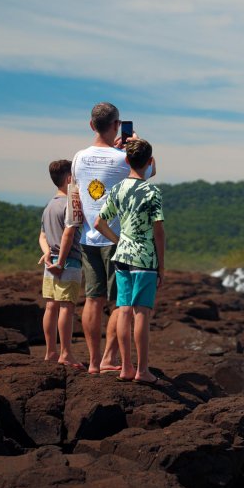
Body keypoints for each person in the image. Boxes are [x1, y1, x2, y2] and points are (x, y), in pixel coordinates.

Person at [69, 102, 154, 374]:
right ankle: (108, 358)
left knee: (93, 299)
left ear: (92, 125)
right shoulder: (123, 159)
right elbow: (149, 170)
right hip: (118, 239)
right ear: (117, 126)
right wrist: (137, 142)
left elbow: (75, 190)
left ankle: (93, 362)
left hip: (88, 237)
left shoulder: (79, 157)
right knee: (122, 303)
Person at [93, 138, 165, 384]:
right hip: (145, 259)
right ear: (150, 162)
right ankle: (142, 371)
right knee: (141, 313)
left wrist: (118, 239)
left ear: (126, 160)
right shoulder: (152, 192)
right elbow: (159, 232)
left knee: (123, 311)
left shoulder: (117, 189)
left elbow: (98, 222)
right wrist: (162, 266)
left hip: (121, 256)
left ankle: (125, 367)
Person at [38, 159, 83, 369]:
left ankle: (50, 352)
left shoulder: (49, 205)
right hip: (69, 262)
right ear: (68, 179)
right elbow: (69, 233)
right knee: (66, 308)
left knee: (51, 307)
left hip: (50, 263)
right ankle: (66, 354)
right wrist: (62, 262)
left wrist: (47, 255)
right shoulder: (71, 204)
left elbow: (42, 236)